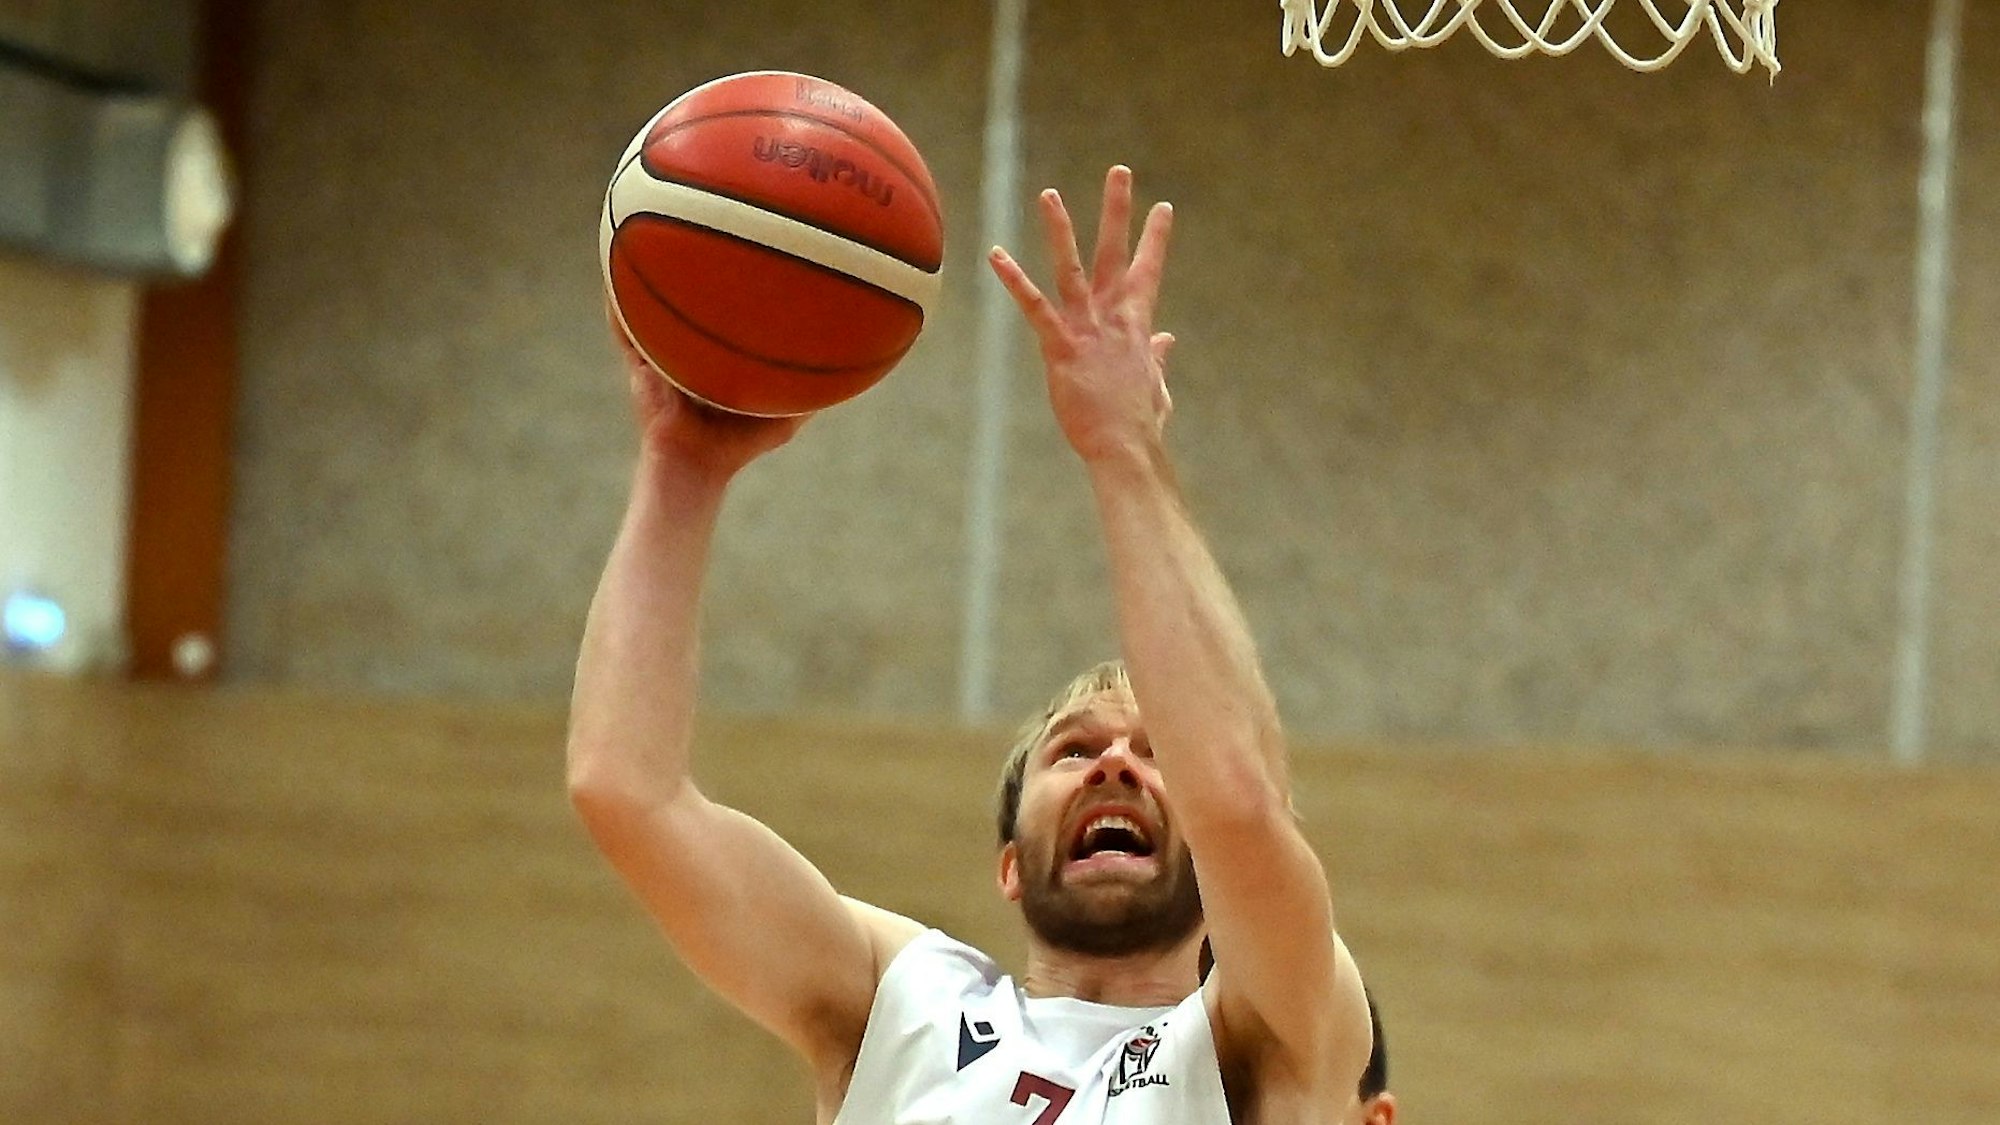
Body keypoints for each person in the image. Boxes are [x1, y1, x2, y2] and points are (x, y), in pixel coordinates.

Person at [567, 165, 1395, 1124]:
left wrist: (1123, 448)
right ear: (1009, 863)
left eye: (1155, 751)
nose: (1115, 764)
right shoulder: (897, 1002)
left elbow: (1242, 802)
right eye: (1073, 750)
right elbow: (625, 791)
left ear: (1215, 868)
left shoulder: (1274, 1036)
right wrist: (680, 463)